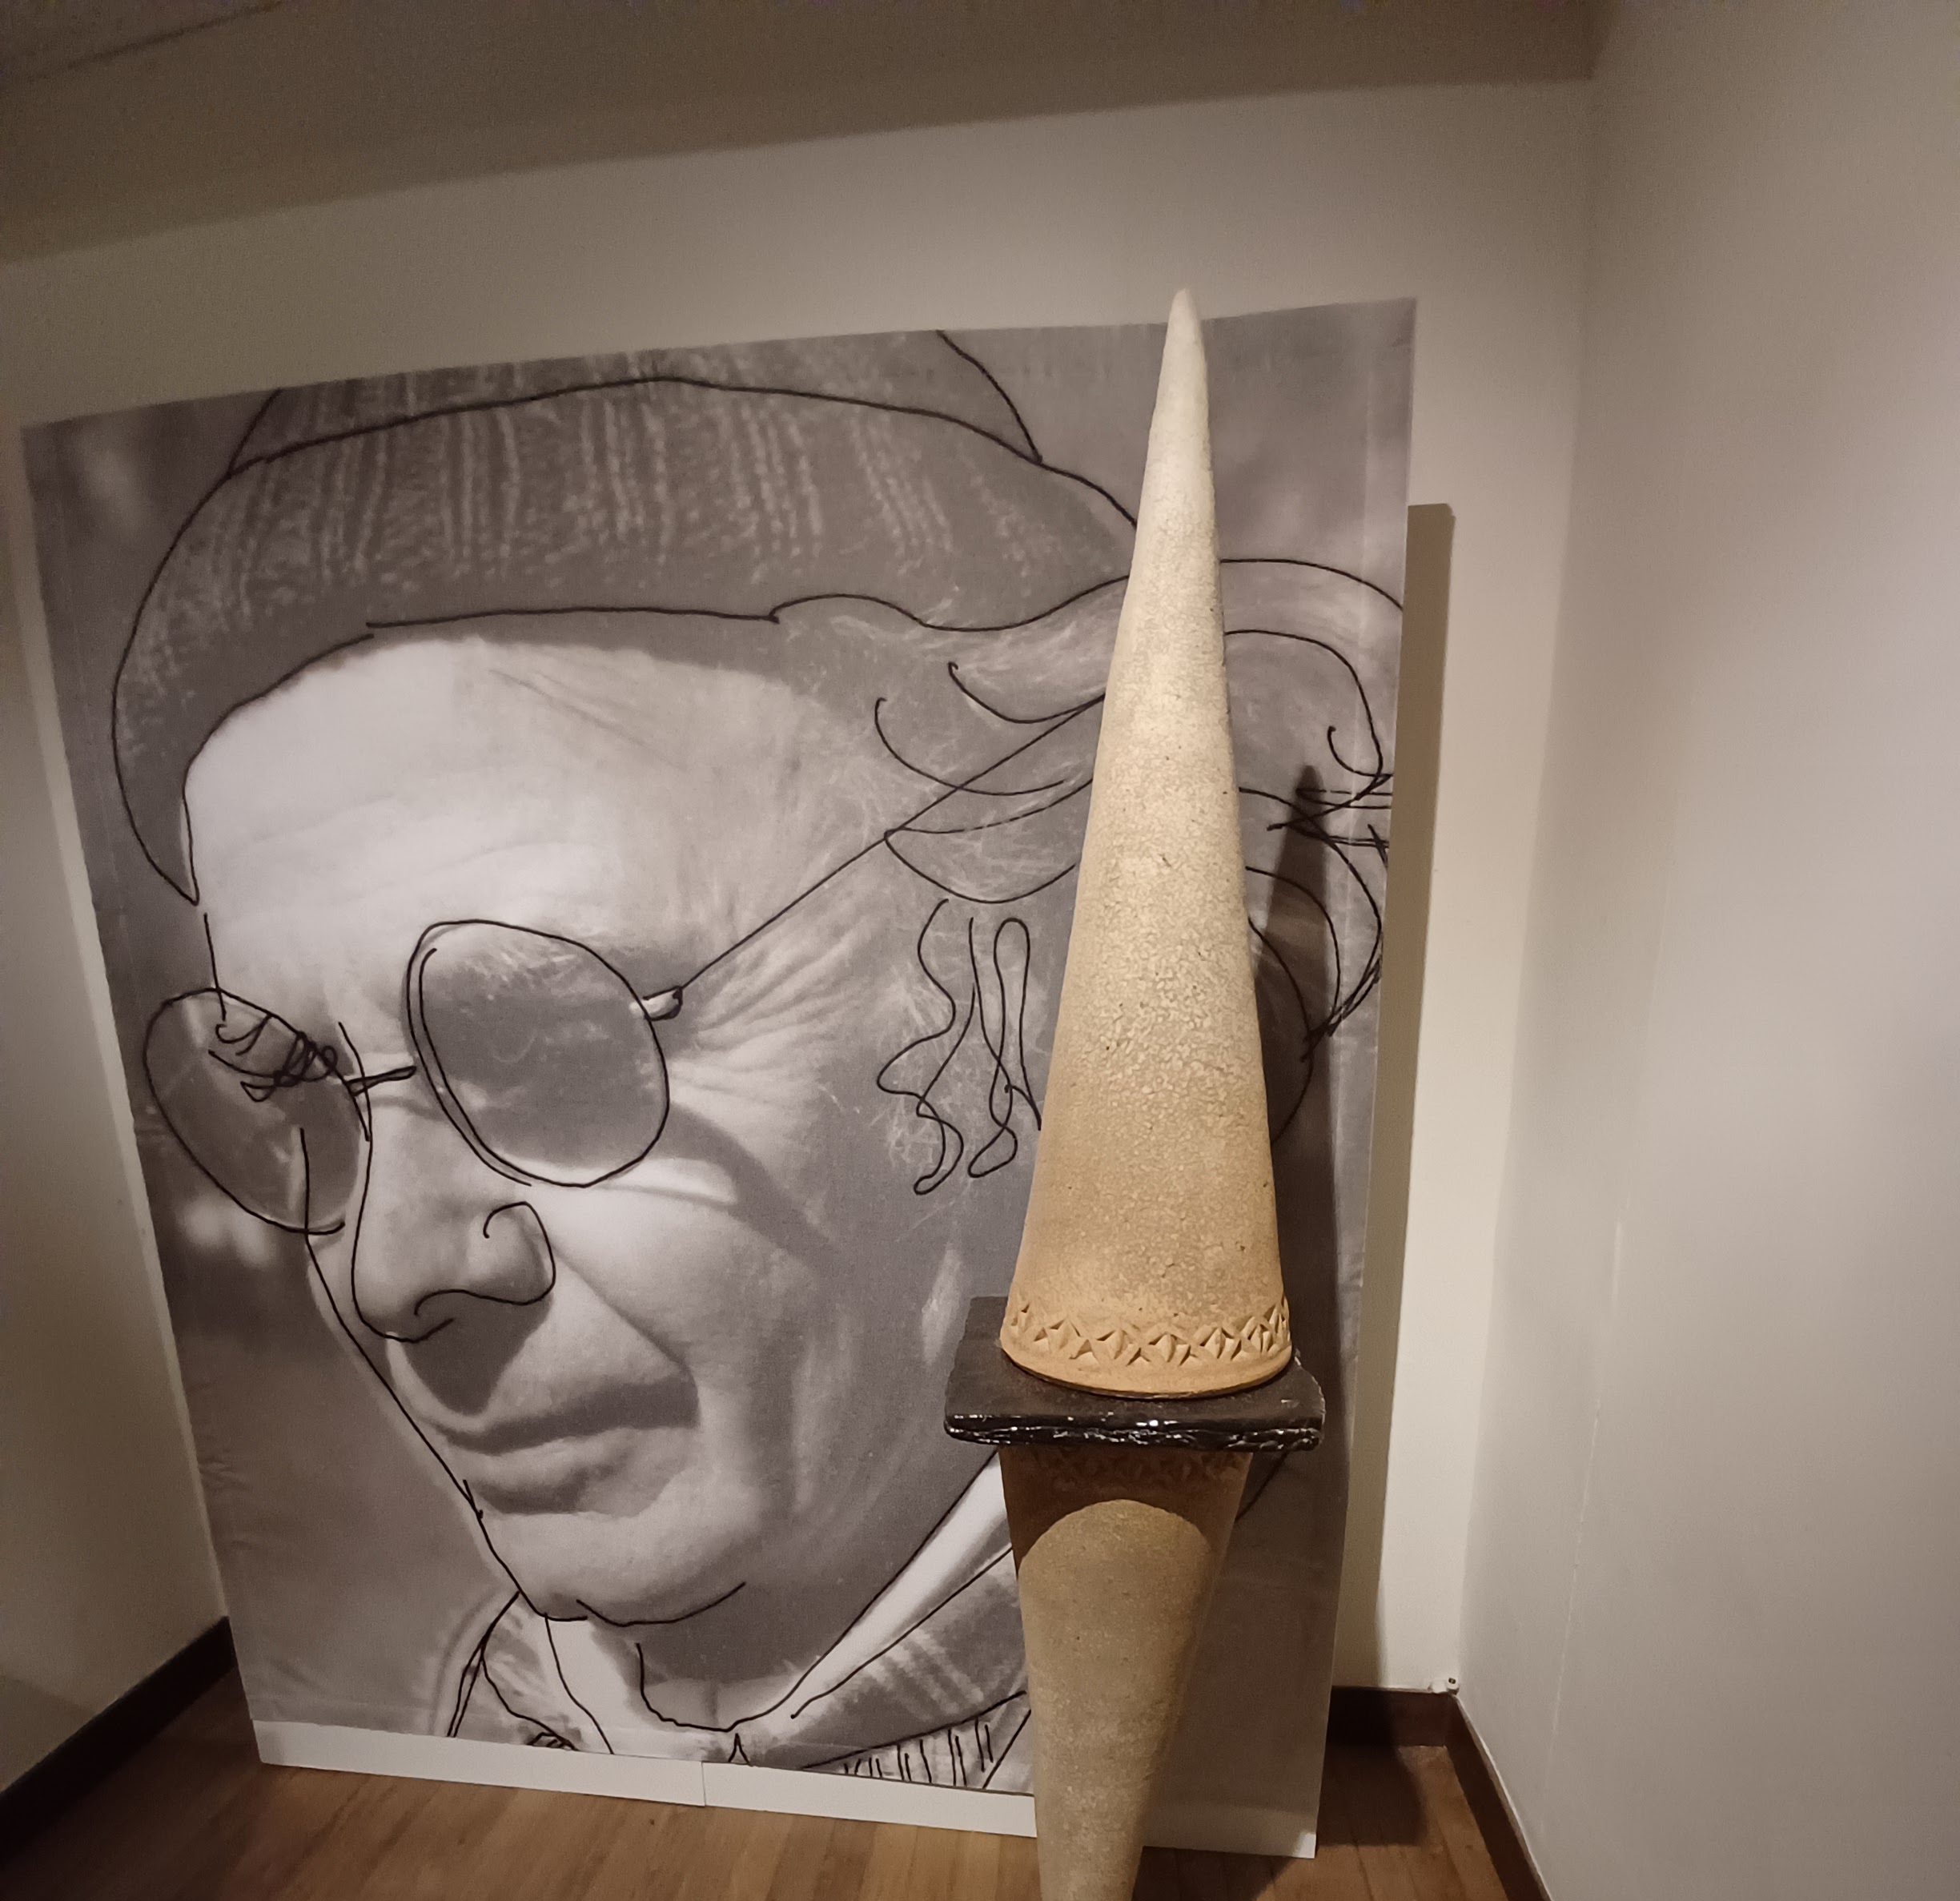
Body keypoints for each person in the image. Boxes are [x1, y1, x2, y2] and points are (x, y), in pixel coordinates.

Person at [117, 339, 1395, 1780]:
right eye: (302, 1093)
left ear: (997, 1004)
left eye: (545, 1045)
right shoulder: (508, 1718)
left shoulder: (1211, 1711)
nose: (386, 1272)